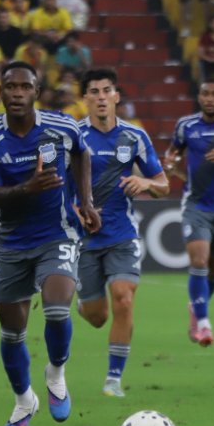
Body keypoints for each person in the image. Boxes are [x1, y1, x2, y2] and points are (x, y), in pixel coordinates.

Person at [0, 62, 101, 426]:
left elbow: (82, 153)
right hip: (12, 242)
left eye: (24, 86)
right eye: (9, 87)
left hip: (57, 234)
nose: (16, 93)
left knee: (58, 309)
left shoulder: (62, 126)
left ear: (36, 91)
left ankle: (56, 373)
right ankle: (23, 400)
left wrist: (87, 200)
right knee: (12, 333)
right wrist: (27, 188)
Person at [76, 68, 169, 398]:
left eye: (107, 90)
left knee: (124, 299)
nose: (101, 97)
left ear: (116, 96)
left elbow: (163, 184)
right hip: (83, 239)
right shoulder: (73, 136)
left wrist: (145, 183)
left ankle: (113, 379)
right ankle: (84, 305)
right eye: (94, 91)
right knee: (97, 316)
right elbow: (55, 185)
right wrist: (74, 210)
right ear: (85, 98)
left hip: (121, 234)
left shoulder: (134, 137)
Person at [163, 80, 214, 346]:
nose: (210, 98)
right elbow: (173, 151)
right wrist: (171, 163)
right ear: (199, 96)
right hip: (195, 205)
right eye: (205, 94)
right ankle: (203, 323)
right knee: (199, 261)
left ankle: (196, 308)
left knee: (213, 271)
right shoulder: (186, 125)